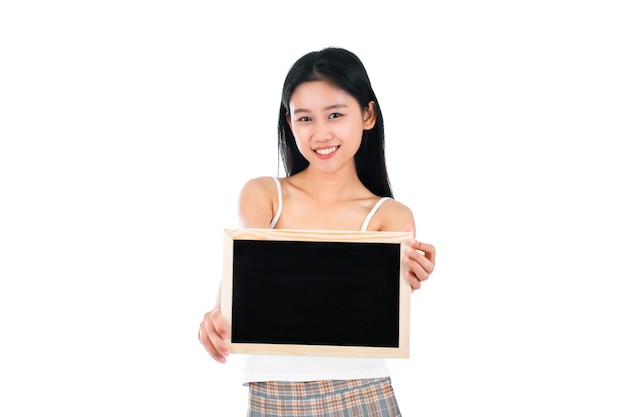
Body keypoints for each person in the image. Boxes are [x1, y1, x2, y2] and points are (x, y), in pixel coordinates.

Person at [198, 46, 436, 416]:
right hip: (273, 396)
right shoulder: (264, 195)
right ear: (289, 123)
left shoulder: (387, 216)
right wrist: (214, 319)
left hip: (363, 393)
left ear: (368, 114)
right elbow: (243, 280)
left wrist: (405, 278)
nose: (321, 134)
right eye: (305, 119)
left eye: (336, 114)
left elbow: (371, 318)